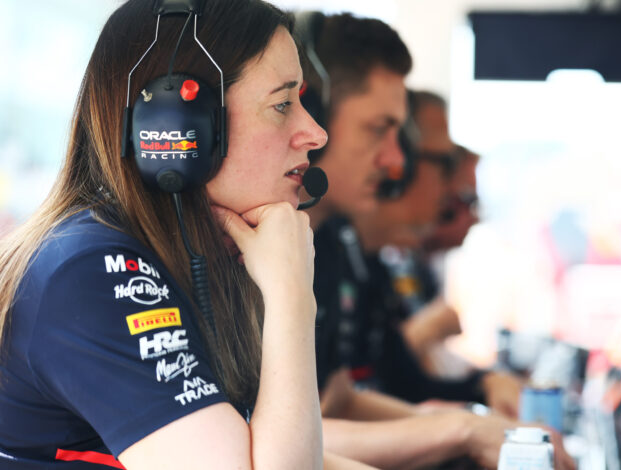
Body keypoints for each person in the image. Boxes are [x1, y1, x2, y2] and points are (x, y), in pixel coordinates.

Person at [0, 1, 373, 469]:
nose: (315, 133)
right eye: (282, 105)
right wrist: (292, 297)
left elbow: (285, 452)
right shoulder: (91, 272)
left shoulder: (195, 253)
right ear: (177, 126)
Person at [299, 13, 575, 469]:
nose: (393, 162)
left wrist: (474, 425)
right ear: (317, 119)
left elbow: (336, 399)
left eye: (400, 139)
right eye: (377, 129)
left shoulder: (323, 246)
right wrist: (462, 429)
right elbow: (274, 441)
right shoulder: (268, 251)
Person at [352, 91, 525, 419]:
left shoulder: (365, 260)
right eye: (444, 165)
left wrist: (481, 390)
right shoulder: (350, 258)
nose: (447, 190)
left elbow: (404, 385)